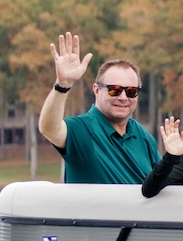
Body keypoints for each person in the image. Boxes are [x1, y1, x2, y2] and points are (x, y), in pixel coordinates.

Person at [38, 31, 159, 184]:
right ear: (96, 90)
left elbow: (161, 183)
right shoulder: (83, 130)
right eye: (114, 90)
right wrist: (62, 85)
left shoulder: (143, 137)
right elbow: (49, 129)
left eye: (131, 91)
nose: (123, 97)